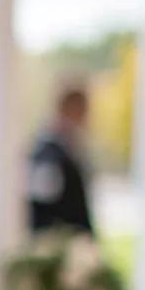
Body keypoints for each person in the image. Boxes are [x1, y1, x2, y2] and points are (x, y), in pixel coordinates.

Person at [26, 82, 94, 234]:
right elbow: (43, 202)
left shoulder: (68, 146)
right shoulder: (48, 151)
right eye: (83, 109)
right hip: (57, 240)